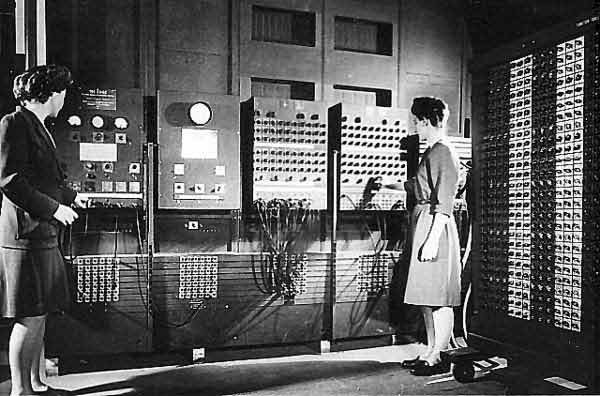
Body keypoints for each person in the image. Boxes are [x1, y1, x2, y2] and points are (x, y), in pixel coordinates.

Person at [0, 65, 86, 396]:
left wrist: (74, 197)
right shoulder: (14, 123)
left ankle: (36, 382)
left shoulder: (39, 127)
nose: (64, 101)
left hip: (42, 234)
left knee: (41, 312)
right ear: (52, 94)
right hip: (26, 236)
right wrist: (55, 209)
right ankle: (20, 391)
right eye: (63, 94)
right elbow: (10, 180)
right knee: (29, 315)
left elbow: (46, 180)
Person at [381, 97, 461, 376]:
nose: (416, 126)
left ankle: (437, 355)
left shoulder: (444, 152)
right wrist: (386, 184)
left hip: (435, 227)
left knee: (438, 297)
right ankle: (429, 351)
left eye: (417, 121)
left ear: (427, 121)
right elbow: (417, 185)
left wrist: (431, 240)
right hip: (424, 223)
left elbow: (445, 202)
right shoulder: (433, 151)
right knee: (425, 295)